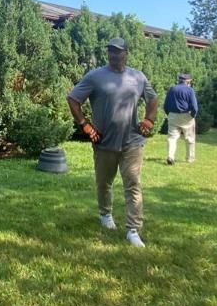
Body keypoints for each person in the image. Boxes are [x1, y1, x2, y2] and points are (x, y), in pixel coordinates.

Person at [67, 37, 159, 247]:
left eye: (118, 51)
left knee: (133, 183)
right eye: (110, 51)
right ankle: (105, 214)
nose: (114, 55)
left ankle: (133, 230)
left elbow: (152, 99)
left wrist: (149, 119)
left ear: (126, 53)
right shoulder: (95, 77)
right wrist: (84, 124)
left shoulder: (138, 77)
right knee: (104, 183)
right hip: (104, 141)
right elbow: (73, 99)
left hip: (132, 141)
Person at [163, 72, 199, 165]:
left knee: (172, 138)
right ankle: (190, 158)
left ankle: (170, 156)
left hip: (172, 115)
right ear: (187, 82)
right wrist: (192, 115)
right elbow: (194, 106)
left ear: (179, 80)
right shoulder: (189, 90)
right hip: (186, 115)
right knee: (189, 138)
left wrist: (169, 114)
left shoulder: (172, 89)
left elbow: (165, 104)